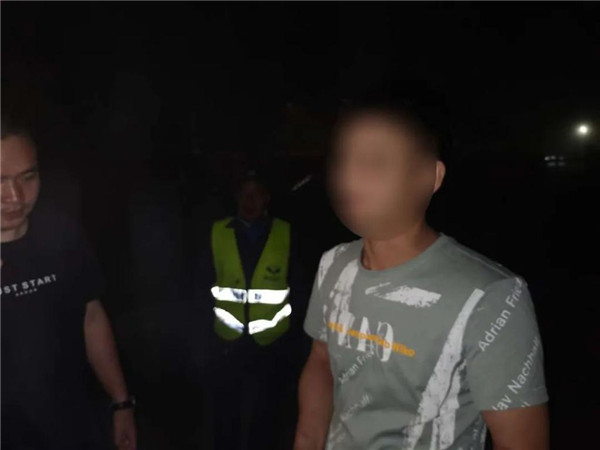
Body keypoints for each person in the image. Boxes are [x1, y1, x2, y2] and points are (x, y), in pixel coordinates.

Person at [294, 97, 549, 450]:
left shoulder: (492, 295)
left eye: (375, 161)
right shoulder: (333, 264)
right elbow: (321, 359)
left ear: (430, 177)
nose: (349, 176)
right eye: (343, 160)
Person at [1, 117, 137, 450]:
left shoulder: (61, 234)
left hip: (72, 426)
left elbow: (91, 315)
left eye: (27, 177)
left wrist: (120, 401)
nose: (15, 196)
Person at [199, 172, 310, 450]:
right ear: (236, 198)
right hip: (226, 341)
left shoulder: (287, 233)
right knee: (225, 417)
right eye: (244, 194)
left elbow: (300, 288)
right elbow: (200, 286)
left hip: (272, 343)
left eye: (256, 194)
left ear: (266, 199)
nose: (249, 201)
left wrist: (294, 338)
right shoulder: (217, 232)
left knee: (267, 416)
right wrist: (205, 336)